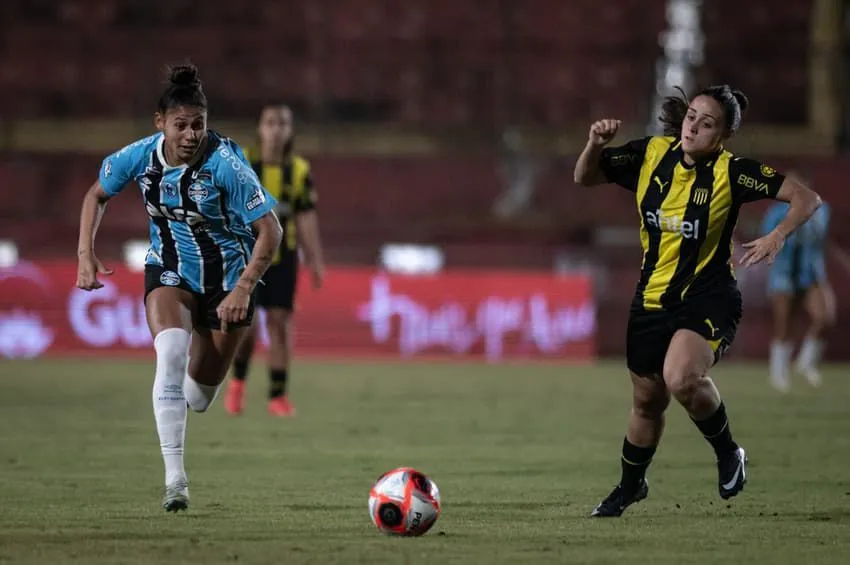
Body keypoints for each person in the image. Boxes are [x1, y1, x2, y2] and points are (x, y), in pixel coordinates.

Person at [573, 85, 822, 517]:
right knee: (647, 402)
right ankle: (631, 486)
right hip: (650, 298)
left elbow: (807, 198)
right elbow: (585, 176)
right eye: (691, 117)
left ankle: (728, 453)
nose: (693, 127)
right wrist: (595, 144)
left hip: (708, 296)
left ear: (723, 136)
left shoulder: (734, 172)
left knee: (681, 378)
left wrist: (778, 235)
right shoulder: (650, 154)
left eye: (707, 124)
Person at [75, 64, 282, 512]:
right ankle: (176, 482)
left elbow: (272, 231)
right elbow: (96, 194)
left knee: (200, 397)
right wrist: (85, 253)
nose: (190, 135)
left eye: (199, 125)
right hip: (169, 268)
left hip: (229, 281)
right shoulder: (138, 157)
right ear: (160, 123)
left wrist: (245, 288)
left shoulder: (227, 164)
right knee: (169, 354)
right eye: (181, 125)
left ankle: (187, 398)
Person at [223, 104, 325, 417]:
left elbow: (306, 217)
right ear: (260, 128)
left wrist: (315, 259)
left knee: (280, 324)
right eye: (270, 122)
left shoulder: (298, 170)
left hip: (284, 258)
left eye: (282, 123)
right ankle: (237, 385)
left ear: (290, 131)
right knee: (248, 326)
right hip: (246, 256)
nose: (276, 129)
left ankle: (277, 396)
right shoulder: (241, 164)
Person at [763, 178, 833, 392]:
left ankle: (806, 362)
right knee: (784, 324)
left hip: (810, 272)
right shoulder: (776, 211)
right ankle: (778, 372)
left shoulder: (821, 209)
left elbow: (821, 239)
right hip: (784, 272)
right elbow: (767, 237)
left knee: (825, 317)